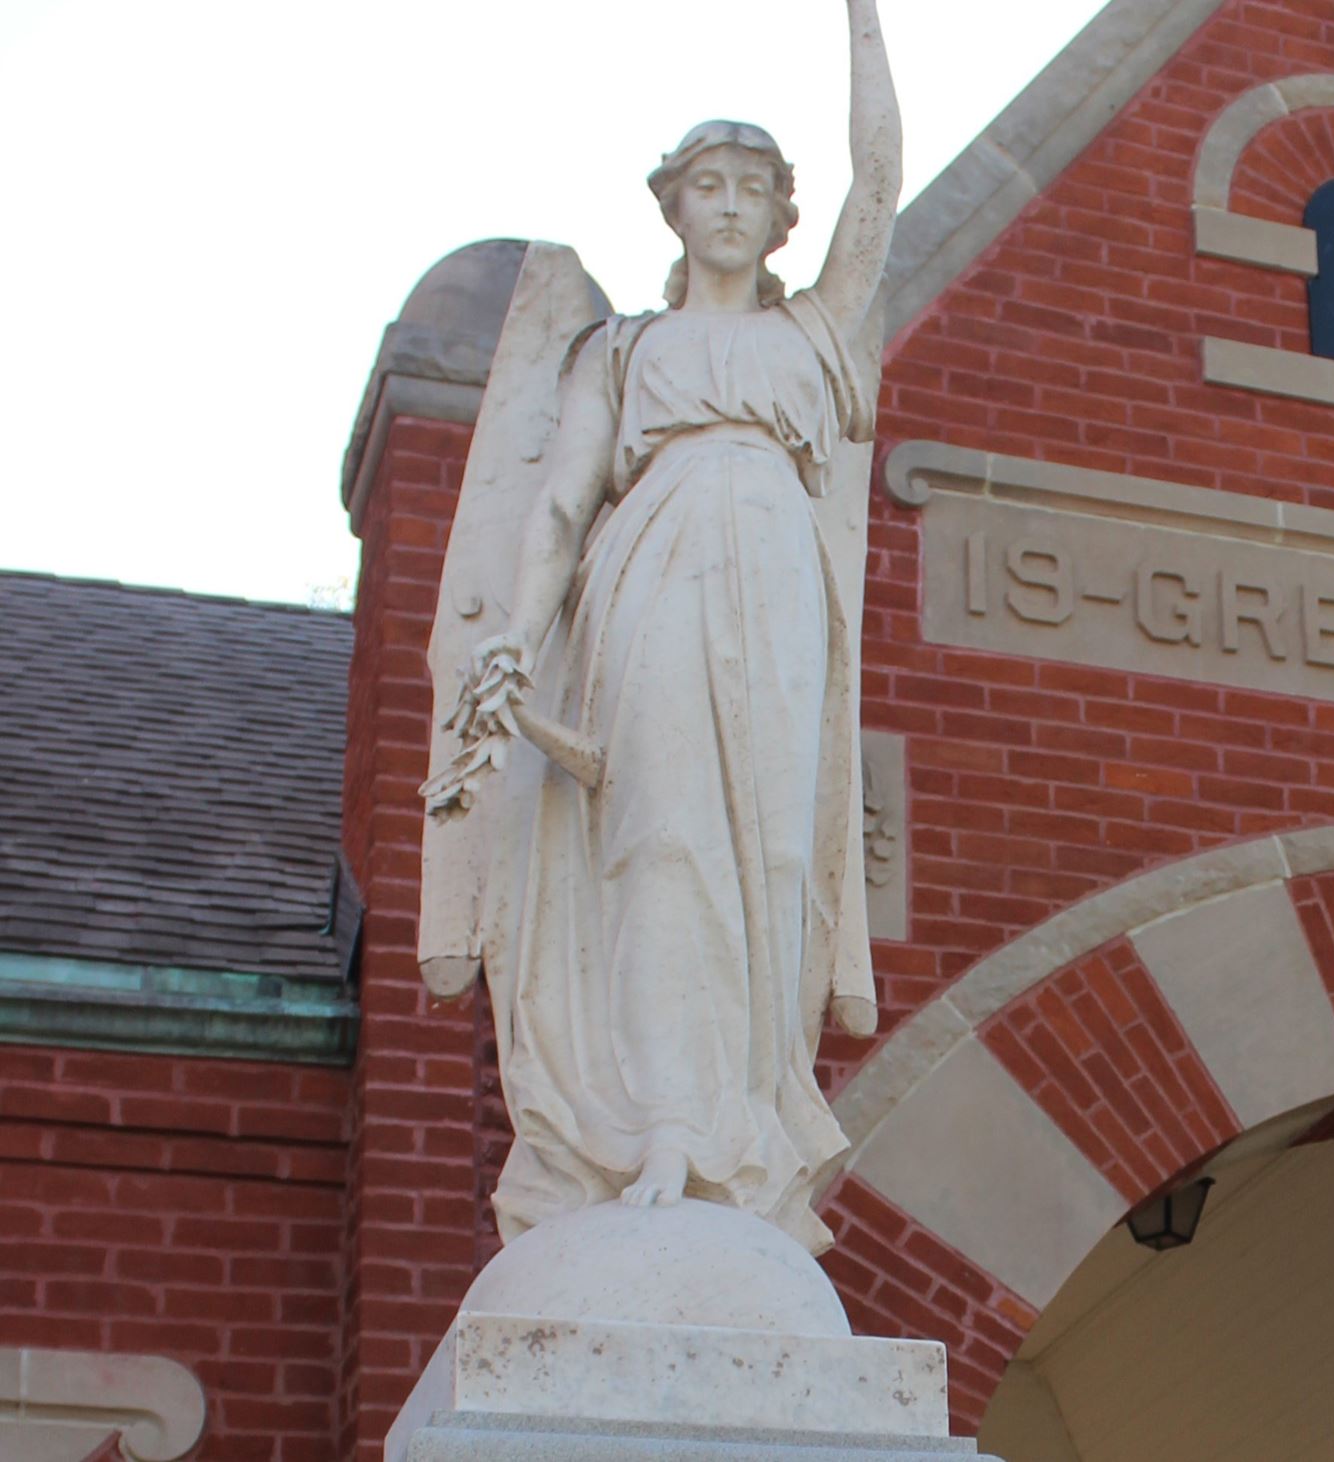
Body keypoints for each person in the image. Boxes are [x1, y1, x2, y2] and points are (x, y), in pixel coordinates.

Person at [420, 0, 901, 1255]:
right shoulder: (621, 351)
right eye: (707, 185)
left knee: (770, 858)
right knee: (657, 832)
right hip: (650, 576)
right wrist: (516, 637)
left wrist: (862, 21)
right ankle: (658, 1122)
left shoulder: (814, 334)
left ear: (781, 214)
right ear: (673, 207)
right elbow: (561, 501)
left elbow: (879, 186)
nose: (729, 206)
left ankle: (743, 1115)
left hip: (777, 584)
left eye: (752, 187)